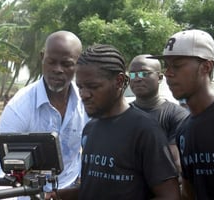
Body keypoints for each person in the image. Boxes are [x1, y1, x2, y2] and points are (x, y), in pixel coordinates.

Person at [57, 44, 180, 199]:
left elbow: (170, 196)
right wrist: (58, 195)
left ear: (119, 81)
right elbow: (94, 187)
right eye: (80, 87)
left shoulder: (145, 131)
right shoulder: (90, 128)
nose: (84, 94)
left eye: (93, 86)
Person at [0, 30, 89, 199]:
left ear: (78, 64)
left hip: (71, 191)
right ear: (42, 57)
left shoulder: (87, 102)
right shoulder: (19, 107)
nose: (57, 69)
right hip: (30, 194)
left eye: (66, 64)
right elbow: (1, 171)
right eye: (51, 62)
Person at [149, 29, 214, 199]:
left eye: (177, 66)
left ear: (206, 67)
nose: (168, 73)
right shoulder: (183, 130)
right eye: (167, 65)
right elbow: (189, 191)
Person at [128, 54, 190, 177]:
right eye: (132, 75)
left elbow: (174, 163)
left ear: (160, 77)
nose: (137, 79)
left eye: (144, 73)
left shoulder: (177, 115)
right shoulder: (121, 115)